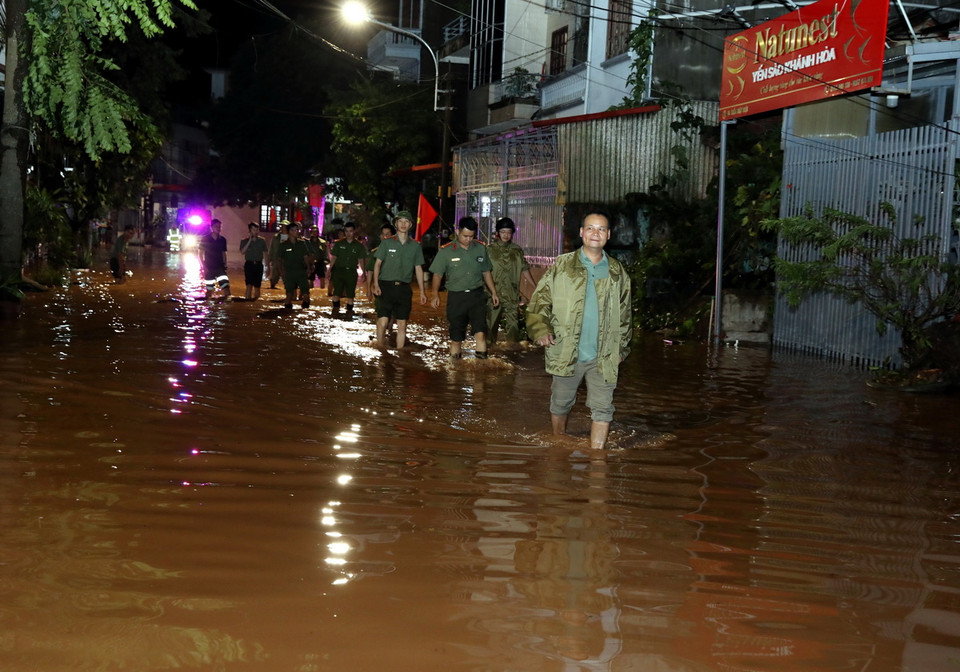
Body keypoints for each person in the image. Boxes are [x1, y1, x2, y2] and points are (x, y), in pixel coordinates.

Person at [525, 212, 632, 451]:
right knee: (561, 403)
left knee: (603, 408)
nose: (596, 233)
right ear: (582, 232)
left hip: (604, 354)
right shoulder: (562, 265)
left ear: (608, 235)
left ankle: (597, 460)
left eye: (601, 229)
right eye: (591, 228)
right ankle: (559, 443)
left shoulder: (617, 272)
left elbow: (625, 315)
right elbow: (539, 302)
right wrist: (541, 330)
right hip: (566, 350)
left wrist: (621, 349)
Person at [429, 217, 500, 360]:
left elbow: (486, 272)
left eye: (471, 236)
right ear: (458, 232)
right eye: (465, 236)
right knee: (456, 338)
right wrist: (435, 294)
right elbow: (437, 275)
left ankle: (481, 367)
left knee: (481, 333)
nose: (468, 239)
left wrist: (493, 292)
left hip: (477, 297)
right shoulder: (446, 251)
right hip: (456, 298)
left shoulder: (480, 248)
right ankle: (454, 368)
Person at [372, 211, 426, 349]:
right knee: (383, 321)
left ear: (410, 225)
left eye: (406, 221)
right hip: (386, 286)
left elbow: (418, 269)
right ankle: (380, 349)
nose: (403, 224)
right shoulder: (386, 243)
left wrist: (422, 292)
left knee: (402, 324)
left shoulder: (415, 246)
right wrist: (376, 284)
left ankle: (400, 353)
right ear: (395, 224)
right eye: (400, 221)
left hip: (404, 288)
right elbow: (377, 264)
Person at [487, 217, 537, 345]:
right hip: (493, 294)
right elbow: (484, 272)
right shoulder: (489, 249)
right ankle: (488, 351)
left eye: (509, 232)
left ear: (512, 233)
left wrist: (535, 286)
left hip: (512, 294)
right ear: (498, 233)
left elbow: (524, 269)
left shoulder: (517, 250)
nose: (506, 235)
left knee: (514, 327)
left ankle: (511, 352)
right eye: (503, 232)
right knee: (490, 327)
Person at [327, 221, 366, 318]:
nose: (348, 233)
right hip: (338, 271)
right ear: (344, 232)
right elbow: (334, 258)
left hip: (351, 272)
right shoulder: (338, 244)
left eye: (351, 231)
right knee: (336, 293)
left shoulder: (359, 246)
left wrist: (364, 273)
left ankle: (349, 313)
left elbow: (361, 260)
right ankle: (335, 313)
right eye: (347, 231)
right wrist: (329, 270)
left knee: (350, 294)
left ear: (354, 231)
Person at [278, 222, 313, 309]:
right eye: (293, 230)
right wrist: (281, 272)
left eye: (297, 230)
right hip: (289, 272)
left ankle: (305, 311)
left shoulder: (302, 243)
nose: (296, 232)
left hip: (301, 271)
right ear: (289, 232)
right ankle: (287, 312)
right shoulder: (283, 245)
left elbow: (305, 256)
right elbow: (279, 260)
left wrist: (309, 267)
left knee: (306, 295)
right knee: (289, 296)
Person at [199, 219, 230, 299]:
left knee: (226, 287)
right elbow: (200, 254)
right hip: (209, 267)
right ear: (212, 227)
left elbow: (224, 253)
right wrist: (203, 267)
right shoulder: (205, 239)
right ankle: (208, 303)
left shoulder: (222, 239)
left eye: (220, 227)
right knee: (209, 290)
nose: (218, 228)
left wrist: (225, 265)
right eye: (216, 226)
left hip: (220, 267)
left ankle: (226, 303)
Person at [239, 222, 268, 300]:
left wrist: (267, 266)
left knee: (257, 285)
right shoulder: (244, 241)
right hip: (249, 264)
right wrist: (249, 240)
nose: (255, 231)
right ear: (249, 231)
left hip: (258, 264)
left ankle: (256, 302)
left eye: (257, 229)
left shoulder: (262, 241)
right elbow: (242, 252)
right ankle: (247, 300)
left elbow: (265, 253)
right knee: (249, 284)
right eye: (253, 229)